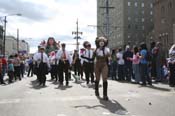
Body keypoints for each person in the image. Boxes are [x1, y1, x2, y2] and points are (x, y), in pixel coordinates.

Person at [94, 36, 110, 101]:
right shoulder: (96, 49)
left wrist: (109, 57)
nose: (101, 42)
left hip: (104, 64)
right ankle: (96, 90)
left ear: (104, 42)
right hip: (97, 65)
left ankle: (105, 95)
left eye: (103, 41)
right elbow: (93, 57)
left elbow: (109, 56)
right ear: (98, 42)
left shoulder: (107, 49)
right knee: (97, 78)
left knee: (104, 78)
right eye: (100, 41)